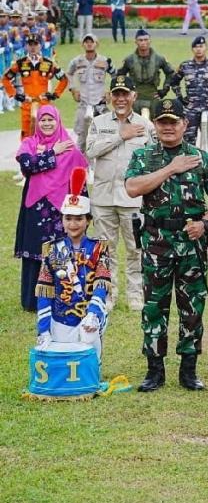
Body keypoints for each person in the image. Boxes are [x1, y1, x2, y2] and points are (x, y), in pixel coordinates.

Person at [125, 98, 208, 392]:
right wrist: (170, 168)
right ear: (154, 125)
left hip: (191, 244)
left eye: (173, 122)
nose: (168, 127)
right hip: (156, 242)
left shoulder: (201, 158)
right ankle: (154, 370)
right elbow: (132, 188)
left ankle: (189, 370)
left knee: (192, 306)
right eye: (162, 122)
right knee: (155, 306)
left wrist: (205, 223)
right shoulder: (144, 156)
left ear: (185, 124)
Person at [86, 75, 155, 312]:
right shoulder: (99, 122)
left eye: (125, 94)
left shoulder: (146, 126)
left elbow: (154, 159)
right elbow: (90, 150)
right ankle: (107, 295)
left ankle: (136, 295)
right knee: (105, 250)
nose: (121, 99)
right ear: (109, 96)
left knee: (136, 249)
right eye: (116, 94)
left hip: (133, 199)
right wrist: (120, 135)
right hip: (103, 198)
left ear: (134, 96)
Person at [15, 105, 88, 311]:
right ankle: (31, 301)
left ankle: (62, 296)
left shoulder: (69, 146)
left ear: (58, 121)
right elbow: (27, 165)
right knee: (33, 253)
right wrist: (52, 153)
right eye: (42, 120)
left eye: (51, 120)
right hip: (35, 207)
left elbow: (79, 178)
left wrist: (80, 211)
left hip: (61, 209)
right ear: (37, 123)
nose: (47, 124)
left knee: (61, 252)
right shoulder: (30, 143)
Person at [35, 167, 111, 362]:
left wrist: (93, 314)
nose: (73, 224)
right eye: (68, 218)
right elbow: (45, 291)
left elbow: (101, 286)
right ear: (62, 220)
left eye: (79, 219)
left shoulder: (98, 249)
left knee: (88, 349)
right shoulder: (52, 250)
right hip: (60, 318)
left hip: (88, 316)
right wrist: (43, 329)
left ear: (88, 221)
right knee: (61, 360)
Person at [2, 33, 68, 139]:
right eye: (30, 44)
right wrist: (14, 94)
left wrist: (55, 94)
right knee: (27, 135)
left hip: (44, 104)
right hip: (27, 104)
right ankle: (26, 155)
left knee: (45, 135)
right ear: (26, 46)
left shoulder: (49, 63)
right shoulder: (20, 63)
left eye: (35, 44)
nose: (33, 47)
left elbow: (64, 79)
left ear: (40, 45)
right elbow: (5, 79)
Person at [169, 35, 208, 155]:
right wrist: (180, 97)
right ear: (192, 49)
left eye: (201, 46)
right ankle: (190, 169)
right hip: (190, 109)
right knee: (188, 141)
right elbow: (174, 82)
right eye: (196, 47)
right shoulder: (185, 65)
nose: (199, 49)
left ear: (206, 48)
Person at [66, 33, 112, 152]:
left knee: (103, 136)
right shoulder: (77, 61)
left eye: (92, 41)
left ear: (97, 44)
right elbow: (68, 74)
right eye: (86, 42)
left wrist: (110, 91)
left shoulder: (105, 61)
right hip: (84, 103)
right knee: (82, 137)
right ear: (83, 44)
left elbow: (117, 75)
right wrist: (73, 89)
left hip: (100, 103)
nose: (89, 44)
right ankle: (79, 166)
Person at [116, 29, 175, 114]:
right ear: (135, 42)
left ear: (150, 41)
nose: (143, 42)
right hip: (135, 96)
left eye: (146, 40)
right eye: (140, 40)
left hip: (152, 95)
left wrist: (164, 90)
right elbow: (120, 76)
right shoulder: (129, 60)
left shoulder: (159, 59)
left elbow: (170, 73)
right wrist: (125, 92)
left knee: (154, 123)